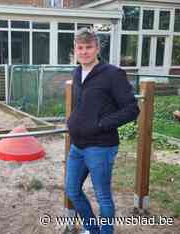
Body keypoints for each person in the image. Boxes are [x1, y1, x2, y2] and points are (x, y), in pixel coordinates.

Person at [65, 28, 140, 234]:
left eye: (89, 47)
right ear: (75, 50)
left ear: (97, 48)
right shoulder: (77, 72)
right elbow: (81, 105)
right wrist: (73, 120)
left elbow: (132, 109)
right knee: (72, 190)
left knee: (103, 196)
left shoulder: (113, 74)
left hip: (101, 147)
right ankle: (93, 230)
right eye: (80, 48)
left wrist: (100, 125)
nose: (84, 52)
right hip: (78, 146)